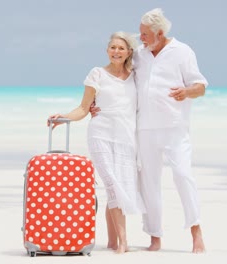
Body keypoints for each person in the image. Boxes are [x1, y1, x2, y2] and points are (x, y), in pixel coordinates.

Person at [90, 8, 207, 253]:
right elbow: (118, 80)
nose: (140, 38)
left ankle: (196, 232)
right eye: (140, 33)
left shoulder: (182, 52)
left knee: (183, 175)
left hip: (175, 127)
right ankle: (155, 237)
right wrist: (95, 103)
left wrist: (186, 92)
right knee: (149, 184)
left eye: (145, 34)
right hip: (144, 129)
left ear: (160, 33)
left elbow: (200, 86)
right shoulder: (140, 56)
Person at [48, 32, 144, 254]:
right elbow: (83, 108)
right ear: (107, 50)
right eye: (112, 47)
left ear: (129, 51)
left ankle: (111, 242)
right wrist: (62, 118)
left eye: (121, 48)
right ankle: (123, 243)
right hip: (100, 134)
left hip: (126, 138)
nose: (116, 52)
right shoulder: (97, 74)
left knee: (120, 187)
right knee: (113, 185)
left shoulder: (136, 76)